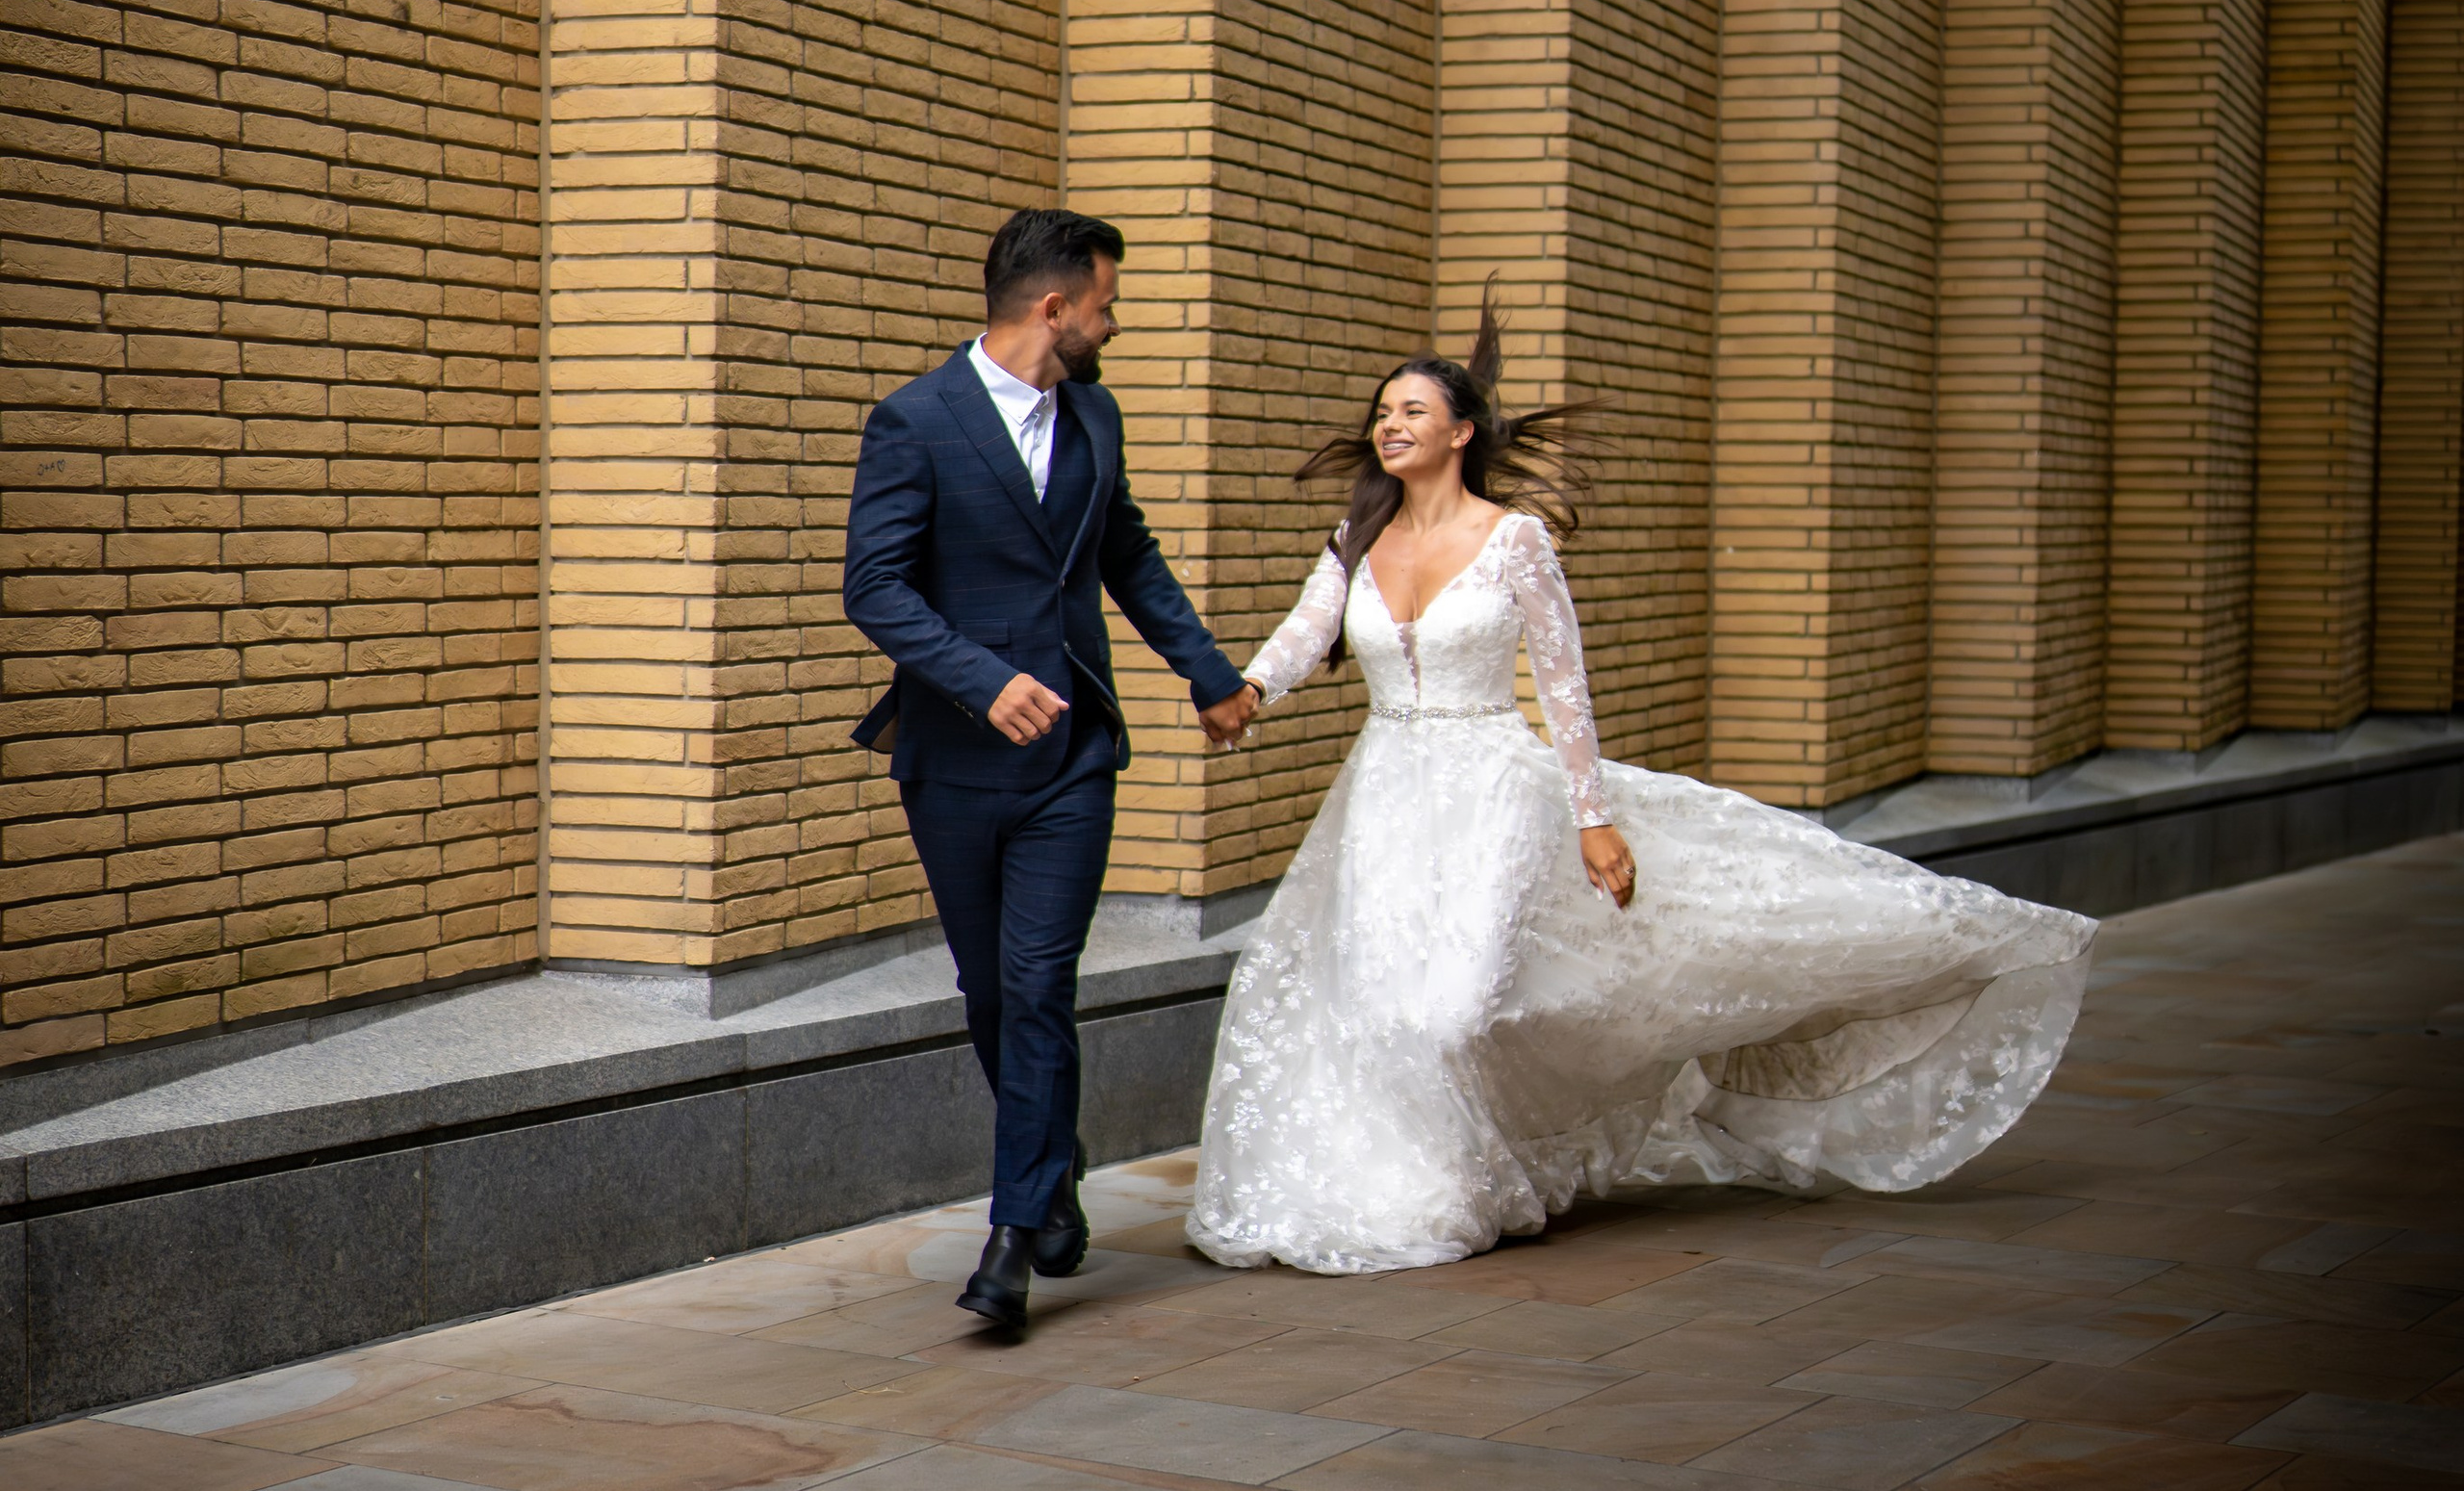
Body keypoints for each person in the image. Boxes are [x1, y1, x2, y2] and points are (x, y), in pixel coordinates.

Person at [1187, 307, 2094, 1275]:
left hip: (1491, 788)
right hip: (1381, 796)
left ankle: (1955, 949)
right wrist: (1244, 692)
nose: (1389, 424)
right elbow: (1300, 632)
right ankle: (1434, 1187)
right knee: (1378, 1001)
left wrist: (1593, 818)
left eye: (1412, 409)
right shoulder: (1355, 537)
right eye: (1381, 411)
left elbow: (1563, 681)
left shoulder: (1516, 540)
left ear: (1462, 432)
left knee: (1455, 1007)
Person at [844, 210, 1260, 1334]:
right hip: (953, 759)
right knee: (991, 994)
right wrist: (980, 679)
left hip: (1074, 755)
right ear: (1054, 307)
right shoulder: (916, 420)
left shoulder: (1096, 417)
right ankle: (1054, 1158)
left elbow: (1124, 549)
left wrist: (1206, 671)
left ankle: (1011, 1233)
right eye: (1106, 305)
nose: (1110, 324)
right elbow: (875, 588)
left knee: (1038, 986)